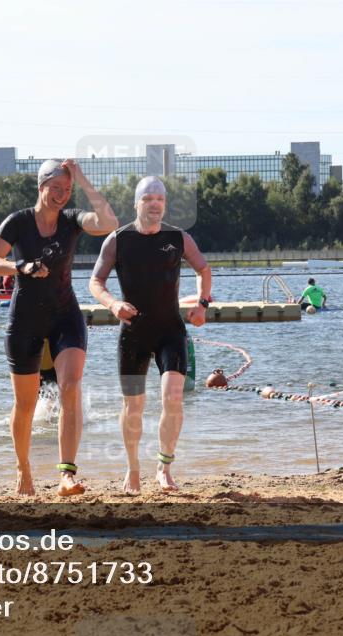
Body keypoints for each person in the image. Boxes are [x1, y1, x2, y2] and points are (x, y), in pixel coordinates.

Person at [0, 158, 119, 496]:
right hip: (25, 319)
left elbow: (109, 221)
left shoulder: (71, 221)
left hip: (64, 315)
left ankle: (67, 474)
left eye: (67, 190)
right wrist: (21, 266)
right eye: (56, 188)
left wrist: (83, 180)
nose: (61, 195)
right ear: (41, 186)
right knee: (25, 404)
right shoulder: (18, 222)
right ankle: (23, 469)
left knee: (70, 386)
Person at [89, 175, 212, 494]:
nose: (155, 204)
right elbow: (95, 282)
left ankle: (164, 467)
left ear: (165, 204)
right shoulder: (118, 239)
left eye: (160, 199)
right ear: (136, 204)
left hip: (171, 331)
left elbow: (204, 269)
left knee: (173, 397)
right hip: (133, 334)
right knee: (133, 406)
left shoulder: (179, 237)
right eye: (148, 199)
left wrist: (202, 305)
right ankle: (132, 471)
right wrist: (113, 304)